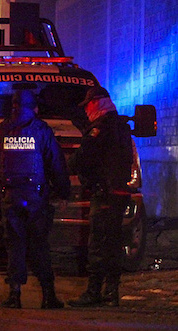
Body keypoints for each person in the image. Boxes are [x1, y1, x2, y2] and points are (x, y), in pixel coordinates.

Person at [0, 89, 70, 309]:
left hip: (11, 196)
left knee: (15, 245)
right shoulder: (41, 130)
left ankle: (14, 295)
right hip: (36, 197)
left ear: (14, 107)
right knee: (40, 245)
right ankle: (48, 296)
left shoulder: (2, 130)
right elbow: (56, 164)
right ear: (34, 108)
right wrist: (64, 192)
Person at [67, 86, 134, 308]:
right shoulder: (122, 127)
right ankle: (111, 292)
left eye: (87, 106)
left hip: (104, 193)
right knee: (113, 243)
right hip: (119, 193)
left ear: (96, 103)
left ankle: (94, 291)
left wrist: (65, 167)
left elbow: (83, 158)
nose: (86, 111)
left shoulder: (100, 129)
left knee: (97, 244)